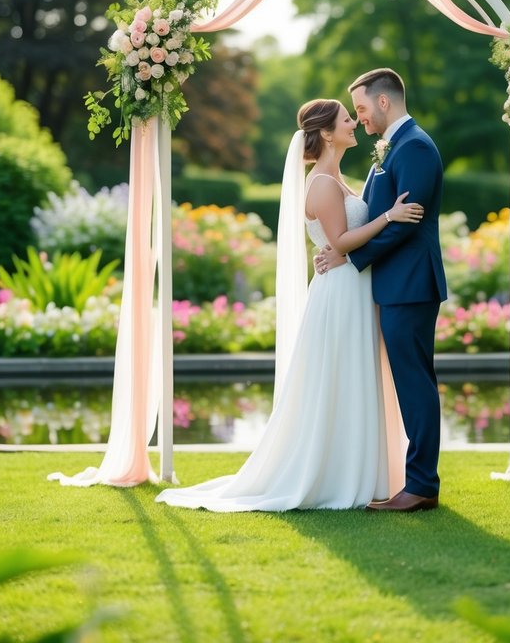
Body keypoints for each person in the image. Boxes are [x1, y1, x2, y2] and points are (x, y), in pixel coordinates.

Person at [155, 98, 421, 512]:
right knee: (340, 376)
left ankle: (362, 470)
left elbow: (340, 243)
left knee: (354, 376)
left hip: (353, 287)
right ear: (328, 133)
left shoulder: (337, 178)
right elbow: (341, 242)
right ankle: (336, 474)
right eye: (347, 119)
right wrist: (391, 216)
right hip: (341, 294)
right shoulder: (322, 184)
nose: (355, 123)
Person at [316, 68, 447, 513]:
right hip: (395, 284)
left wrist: (350, 258)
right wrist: (343, 252)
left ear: (385, 102)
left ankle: (422, 485)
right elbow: (380, 215)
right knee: (410, 382)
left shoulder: (415, 148)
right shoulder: (394, 146)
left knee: (415, 383)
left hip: (410, 284)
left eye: (363, 109)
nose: (361, 118)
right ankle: (417, 481)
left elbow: (405, 222)